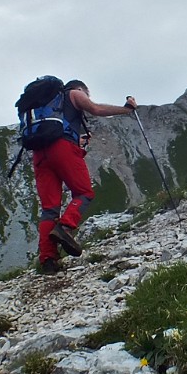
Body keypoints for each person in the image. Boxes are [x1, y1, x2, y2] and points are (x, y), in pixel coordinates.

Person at [33, 82, 138, 274]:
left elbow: (57, 133)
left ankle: (48, 260)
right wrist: (126, 109)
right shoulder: (74, 93)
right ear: (82, 89)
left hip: (39, 154)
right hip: (63, 149)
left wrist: (77, 140)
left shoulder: (46, 108)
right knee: (84, 192)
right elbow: (96, 109)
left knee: (49, 209)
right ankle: (65, 228)